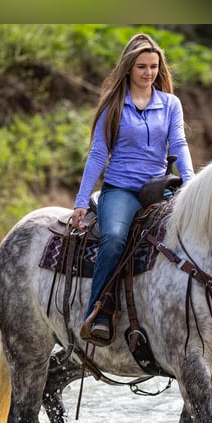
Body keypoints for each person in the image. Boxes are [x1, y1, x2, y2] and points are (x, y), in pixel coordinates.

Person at [71, 32, 195, 343]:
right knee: (113, 238)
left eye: (154, 67)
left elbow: (179, 143)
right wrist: (81, 200)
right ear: (129, 68)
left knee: (191, 237)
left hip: (159, 189)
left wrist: (191, 183)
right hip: (121, 190)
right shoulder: (113, 105)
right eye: (142, 66)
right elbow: (99, 153)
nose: (148, 73)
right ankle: (97, 312)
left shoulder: (170, 104)